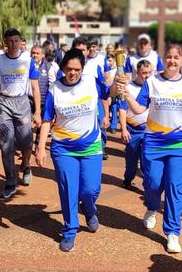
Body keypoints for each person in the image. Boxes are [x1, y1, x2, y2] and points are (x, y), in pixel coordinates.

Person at [115, 44, 182, 254]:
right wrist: (127, 94)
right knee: (153, 182)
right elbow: (139, 109)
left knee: (174, 185)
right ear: (163, 60)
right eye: (168, 57)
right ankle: (151, 207)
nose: (172, 61)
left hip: (181, 144)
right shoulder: (152, 82)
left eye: (176, 57)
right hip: (154, 143)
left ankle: (173, 232)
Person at [35, 48, 110, 252]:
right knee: (68, 190)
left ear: (82, 69)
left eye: (77, 69)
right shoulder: (55, 89)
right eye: (69, 69)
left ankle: (89, 208)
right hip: (63, 148)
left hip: (91, 146)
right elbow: (46, 120)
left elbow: (108, 92)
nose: (73, 73)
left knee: (90, 190)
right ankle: (70, 230)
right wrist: (41, 147)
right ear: (63, 68)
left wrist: (118, 86)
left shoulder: (91, 82)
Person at [0, 28, 41, 198]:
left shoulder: (27, 60)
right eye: (10, 41)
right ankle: (10, 180)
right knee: (6, 144)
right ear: (5, 42)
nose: (13, 44)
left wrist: (38, 112)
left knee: (26, 141)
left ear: (20, 42)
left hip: (23, 102)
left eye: (16, 41)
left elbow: (35, 87)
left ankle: (25, 165)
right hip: (4, 103)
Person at [118, 59, 152, 189]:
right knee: (131, 160)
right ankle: (128, 178)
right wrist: (123, 129)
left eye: (149, 72)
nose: (147, 75)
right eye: (144, 72)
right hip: (133, 131)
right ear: (137, 72)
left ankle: (147, 186)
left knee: (147, 160)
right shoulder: (128, 88)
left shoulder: (153, 87)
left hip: (149, 131)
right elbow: (122, 109)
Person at [30, 45, 56, 153]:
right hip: (29, 99)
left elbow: (53, 84)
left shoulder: (49, 66)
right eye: (33, 53)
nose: (35, 55)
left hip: (43, 100)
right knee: (26, 124)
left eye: (37, 53)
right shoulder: (27, 65)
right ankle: (26, 147)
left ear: (43, 55)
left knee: (40, 124)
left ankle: (37, 146)